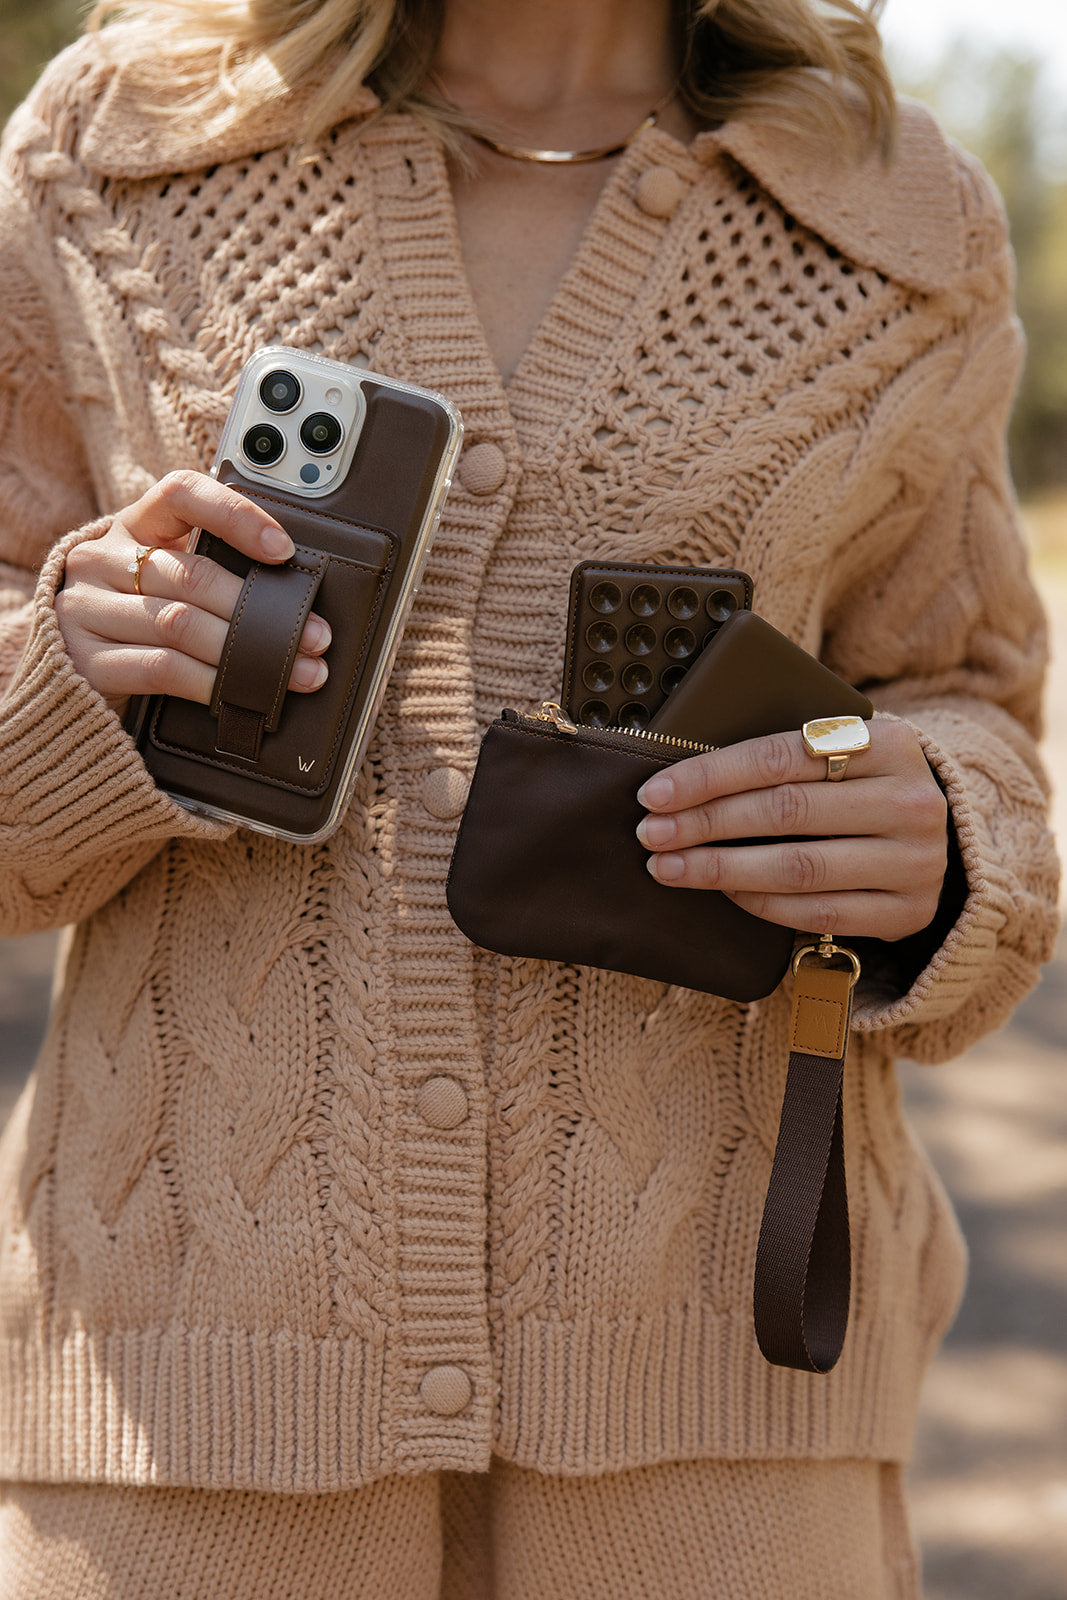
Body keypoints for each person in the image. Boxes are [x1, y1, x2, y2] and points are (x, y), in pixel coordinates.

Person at [0, 1, 1058, 1595]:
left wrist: (946, 840)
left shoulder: (893, 218)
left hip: (719, 1411)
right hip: (184, 1409)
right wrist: (71, 668)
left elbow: (962, 691)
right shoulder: (120, 156)